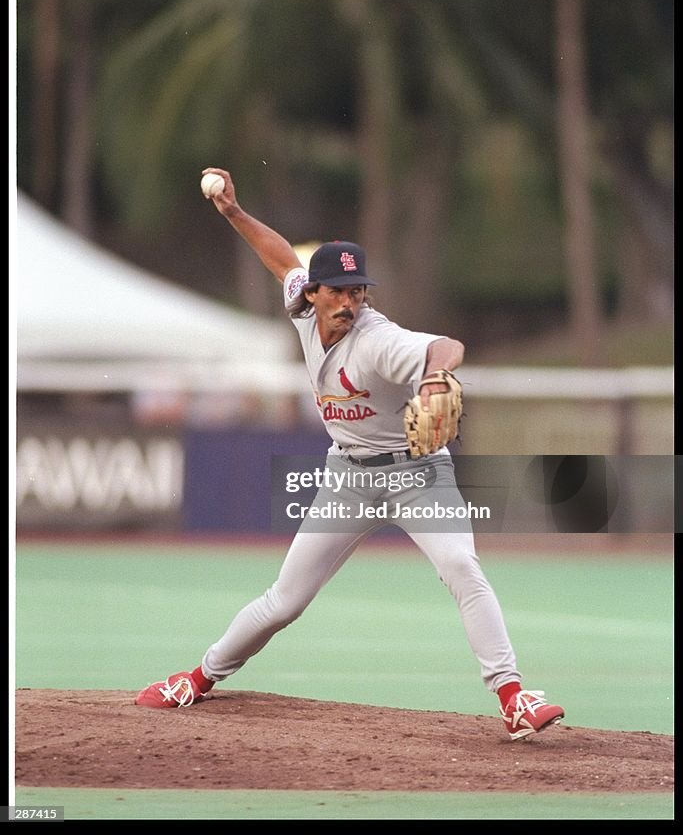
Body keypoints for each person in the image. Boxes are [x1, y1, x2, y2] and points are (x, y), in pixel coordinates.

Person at [135, 168, 565, 741]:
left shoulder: (377, 340)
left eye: (358, 289)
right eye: (337, 290)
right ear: (312, 294)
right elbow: (282, 259)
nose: (349, 301)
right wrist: (235, 213)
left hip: (417, 473)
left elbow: (446, 345)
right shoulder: (303, 308)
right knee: (285, 601)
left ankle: (513, 697)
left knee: (463, 567)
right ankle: (198, 678)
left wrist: (437, 374)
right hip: (348, 479)